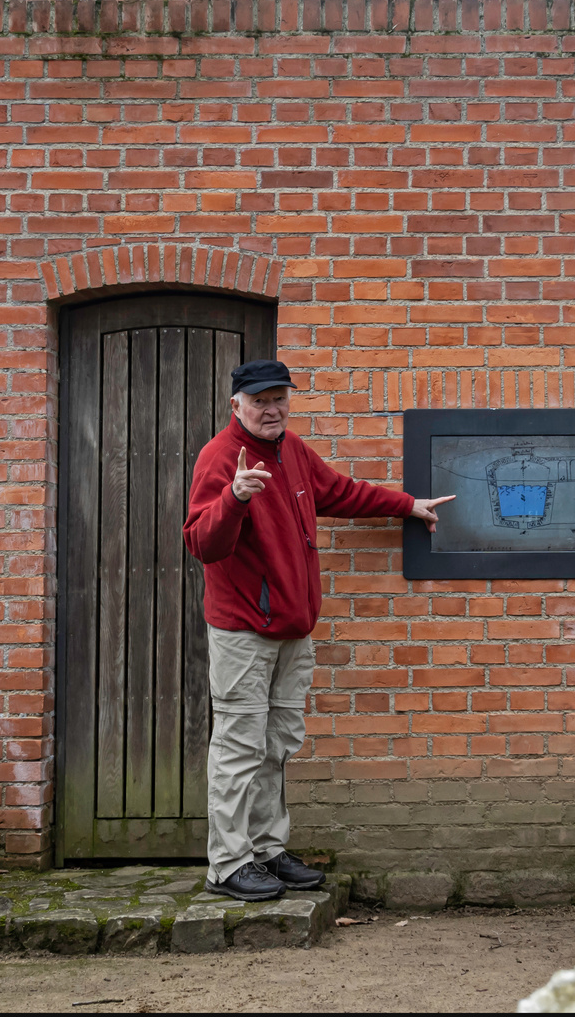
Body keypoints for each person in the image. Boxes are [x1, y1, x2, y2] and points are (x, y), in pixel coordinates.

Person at [183, 359, 454, 901]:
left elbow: (343, 493)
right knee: (239, 745)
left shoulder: (294, 451)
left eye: (279, 398)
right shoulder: (221, 457)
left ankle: (265, 850)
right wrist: (235, 498)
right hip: (244, 631)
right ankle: (227, 864)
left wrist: (408, 505)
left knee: (276, 745)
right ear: (236, 404)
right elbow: (201, 543)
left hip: (292, 629)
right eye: (260, 400)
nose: (271, 408)